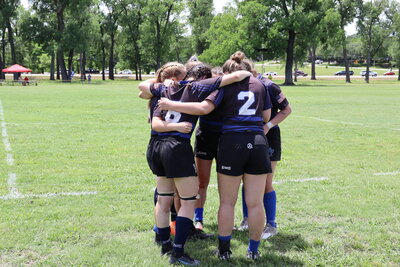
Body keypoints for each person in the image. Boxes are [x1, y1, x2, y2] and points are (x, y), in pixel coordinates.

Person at [157, 51, 273, 261]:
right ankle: (254, 250)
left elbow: (204, 108)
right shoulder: (260, 84)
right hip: (257, 141)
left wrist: (170, 104)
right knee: (256, 202)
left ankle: (224, 251)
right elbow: (266, 116)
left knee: (227, 202)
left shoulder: (222, 86)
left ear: (227, 72)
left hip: (231, 142)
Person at [139, 63, 252, 266]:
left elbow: (142, 89)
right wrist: (247, 73)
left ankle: (164, 243)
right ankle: (178, 252)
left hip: (155, 147)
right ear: (202, 78)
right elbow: (238, 76)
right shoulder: (198, 87)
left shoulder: (163, 88)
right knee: (189, 201)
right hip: (177, 148)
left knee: (163, 198)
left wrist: (161, 84)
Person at [238, 73, 292, 239]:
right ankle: (247, 219)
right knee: (245, 179)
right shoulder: (238, 85)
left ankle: (271, 224)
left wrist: (268, 125)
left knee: (266, 182)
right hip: (246, 135)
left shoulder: (269, 85)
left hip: (268, 137)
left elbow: (287, 110)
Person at [192, 66, 224, 231]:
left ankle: (225, 218)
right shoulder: (204, 91)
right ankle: (198, 218)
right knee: (202, 182)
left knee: (225, 183)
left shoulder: (228, 91)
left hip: (226, 139)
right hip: (205, 137)